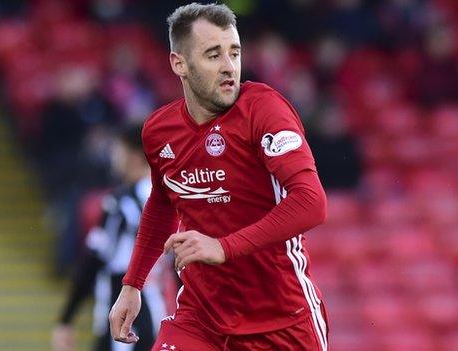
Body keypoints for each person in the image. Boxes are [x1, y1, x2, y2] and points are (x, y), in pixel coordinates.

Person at [109, 3, 329, 350]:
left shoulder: (264, 110)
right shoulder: (158, 130)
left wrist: (223, 247)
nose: (229, 67)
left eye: (234, 53)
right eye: (213, 55)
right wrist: (132, 284)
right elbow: (163, 203)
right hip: (201, 318)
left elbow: (311, 202)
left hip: (280, 321)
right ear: (179, 63)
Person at [52, 125, 167, 351]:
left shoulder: (121, 203)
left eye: (118, 150)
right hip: (156, 311)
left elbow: (93, 261)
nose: (115, 157)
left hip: (123, 315)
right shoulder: (168, 198)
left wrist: (66, 319)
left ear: (133, 155)